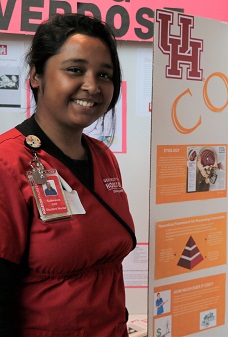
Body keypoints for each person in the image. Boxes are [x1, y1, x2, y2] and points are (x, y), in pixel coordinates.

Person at [0, 14, 136, 336]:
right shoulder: (8, 163)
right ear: (36, 75)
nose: (92, 85)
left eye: (104, 74)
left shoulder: (103, 158)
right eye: (75, 70)